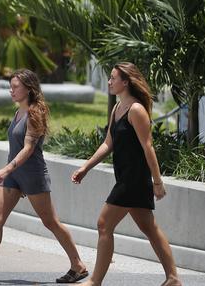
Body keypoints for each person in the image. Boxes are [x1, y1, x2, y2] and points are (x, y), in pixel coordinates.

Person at [0, 69, 88, 283]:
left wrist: (6, 168)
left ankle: (78, 265)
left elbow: (28, 148)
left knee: (50, 222)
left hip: (32, 174)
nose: (11, 90)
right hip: (14, 175)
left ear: (29, 88)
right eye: (11, 86)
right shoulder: (18, 112)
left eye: (15, 86)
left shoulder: (36, 112)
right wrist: (10, 171)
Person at [71, 62, 181, 286]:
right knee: (149, 227)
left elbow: (148, 147)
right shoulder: (117, 108)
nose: (109, 82)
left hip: (134, 179)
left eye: (113, 78)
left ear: (126, 81)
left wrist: (157, 182)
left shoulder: (136, 110)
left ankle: (95, 281)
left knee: (104, 224)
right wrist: (86, 167)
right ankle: (173, 278)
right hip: (124, 176)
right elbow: (108, 143)